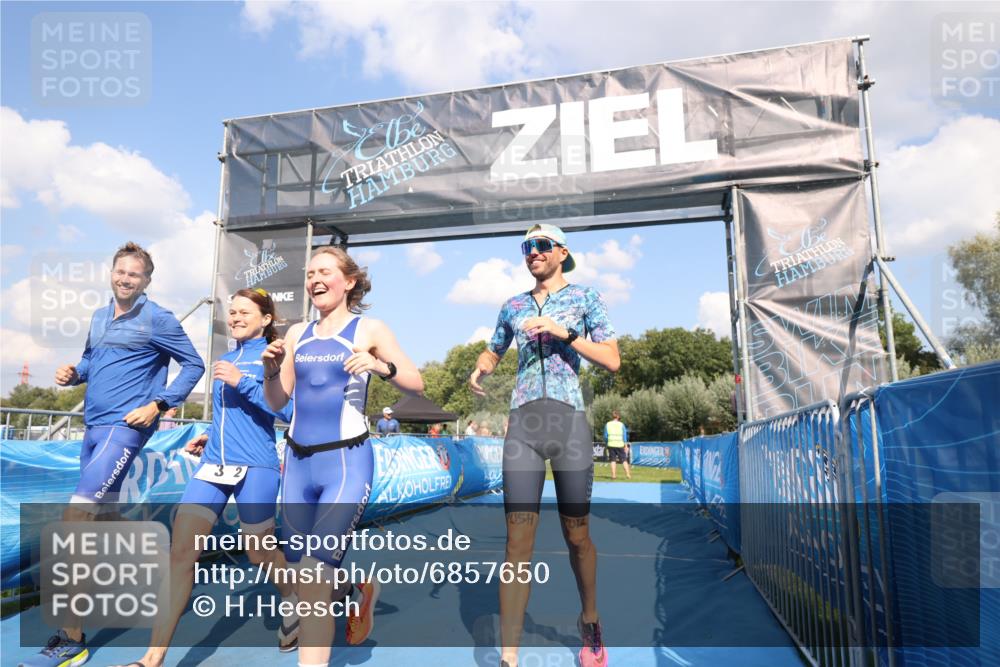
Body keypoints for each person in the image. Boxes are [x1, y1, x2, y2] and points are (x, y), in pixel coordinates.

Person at [27, 242, 204, 667]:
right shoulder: (99, 315)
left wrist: (159, 404)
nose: (125, 279)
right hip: (92, 429)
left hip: (123, 430)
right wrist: (74, 374)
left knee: (76, 520)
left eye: (134, 275)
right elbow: (91, 360)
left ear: (146, 281)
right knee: (103, 518)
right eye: (120, 272)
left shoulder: (158, 318)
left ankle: (72, 638)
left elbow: (194, 365)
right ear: (112, 273)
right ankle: (172, 565)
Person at [113, 288, 297, 667]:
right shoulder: (226, 358)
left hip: (256, 467)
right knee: (180, 554)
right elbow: (231, 416)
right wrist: (212, 434)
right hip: (212, 465)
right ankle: (152, 659)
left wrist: (242, 382)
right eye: (232, 312)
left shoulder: (275, 356)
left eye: (244, 312)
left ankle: (297, 596)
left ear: (265, 319)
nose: (235, 317)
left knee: (259, 551)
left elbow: (287, 411)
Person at [262, 246, 423, 667]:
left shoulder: (369, 328)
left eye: (324, 272)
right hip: (296, 464)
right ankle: (354, 592)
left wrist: (378, 365)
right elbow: (279, 400)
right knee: (303, 577)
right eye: (310, 272)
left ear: (349, 281)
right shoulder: (297, 333)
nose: (314, 279)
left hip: (347, 463)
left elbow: (415, 382)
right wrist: (269, 370)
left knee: (313, 580)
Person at [469, 224, 620, 667]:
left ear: (561, 252)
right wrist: (481, 367)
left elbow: (612, 360)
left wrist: (563, 332)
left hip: (569, 424)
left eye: (541, 246)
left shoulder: (586, 298)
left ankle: (590, 620)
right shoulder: (513, 305)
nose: (532, 253)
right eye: (526, 247)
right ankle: (509, 657)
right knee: (517, 543)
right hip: (523, 427)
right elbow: (494, 349)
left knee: (578, 538)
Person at [604, 410, 631, 480]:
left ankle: (613, 475)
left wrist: (607, 443)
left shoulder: (608, 424)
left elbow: (605, 436)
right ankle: (628, 475)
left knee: (613, 460)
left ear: (612, 416)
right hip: (620, 444)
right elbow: (624, 436)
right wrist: (626, 445)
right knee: (624, 460)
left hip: (611, 444)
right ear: (618, 416)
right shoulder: (621, 425)